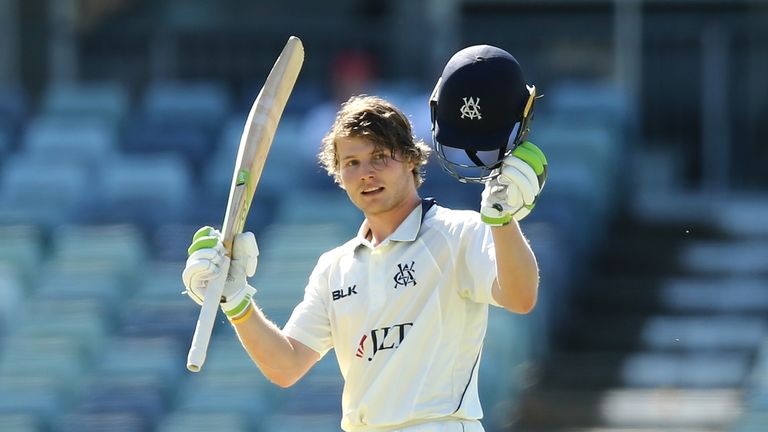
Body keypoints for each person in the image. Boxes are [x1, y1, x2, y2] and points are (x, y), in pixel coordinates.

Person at [182, 45, 547, 432]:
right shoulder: (334, 268)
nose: (366, 174)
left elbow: (521, 297)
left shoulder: (458, 232)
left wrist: (502, 220)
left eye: (380, 157)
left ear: (410, 158)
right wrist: (236, 300)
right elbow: (286, 366)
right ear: (339, 175)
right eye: (351, 164)